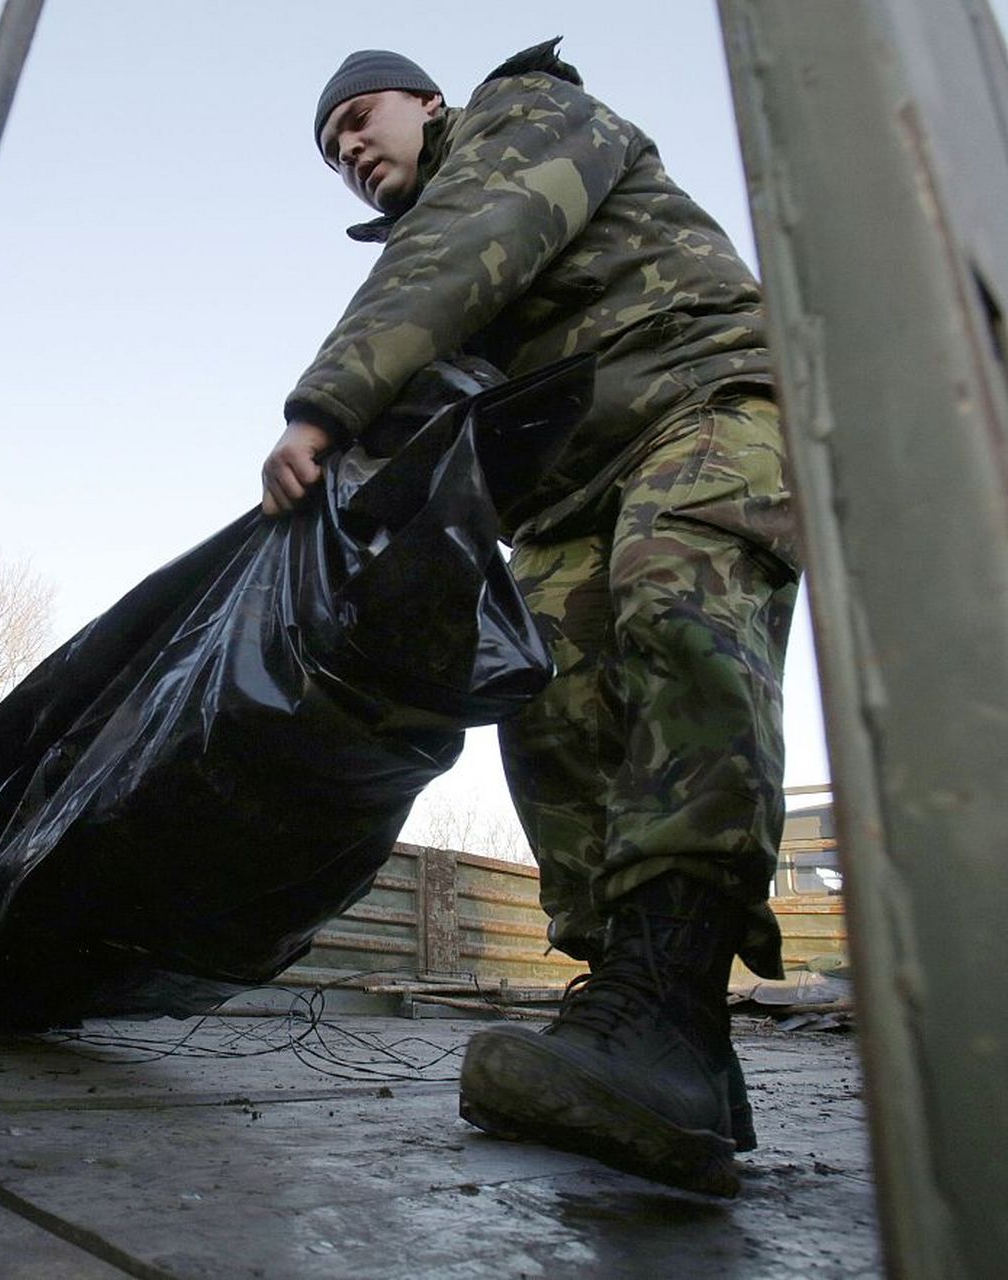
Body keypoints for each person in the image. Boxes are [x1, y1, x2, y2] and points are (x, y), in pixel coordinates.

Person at [264, 42, 800, 1194]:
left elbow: (470, 241)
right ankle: (647, 1029)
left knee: (677, 609)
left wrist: (321, 407)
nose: (351, 149)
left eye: (362, 118)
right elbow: (415, 421)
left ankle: (663, 1000)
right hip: (565, 487)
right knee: (541, 693)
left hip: (705, 396)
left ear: (428, 102)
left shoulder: (529, 117)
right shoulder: (434, 257)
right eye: (331, 148)